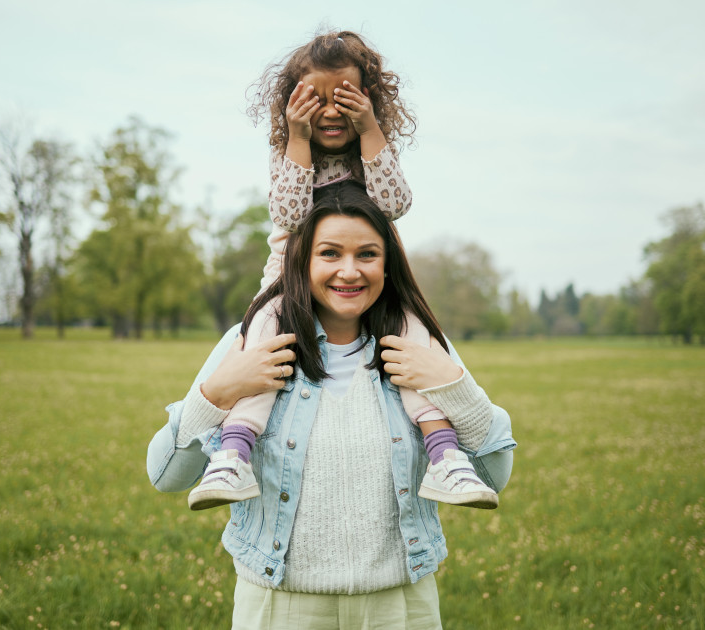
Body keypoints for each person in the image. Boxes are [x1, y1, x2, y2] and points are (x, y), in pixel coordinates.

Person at [147, 181, 517, 628]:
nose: (349, 271)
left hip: (400, 605)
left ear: (387, 264)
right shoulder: (251, 340)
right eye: (329, 253)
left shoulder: (420, 345)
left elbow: (493, 477)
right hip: (279, 603)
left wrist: (453, 387)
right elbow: (166, 475)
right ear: (301, 260)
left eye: (366, 254)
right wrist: (216, 394)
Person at [186, 29, 498, 511]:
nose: (331, 111)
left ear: (367, 98)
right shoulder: (291, 148)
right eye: (315, 99)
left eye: (345, 98)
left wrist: (370, 128)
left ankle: (445, 457)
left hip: (374, 273)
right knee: (262, 342)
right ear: (291, 102)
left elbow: (395, 203)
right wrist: (298, 136)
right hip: (289, 270)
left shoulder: (372, 147)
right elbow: (289, 215)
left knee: (413, 337)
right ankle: (232, 454)